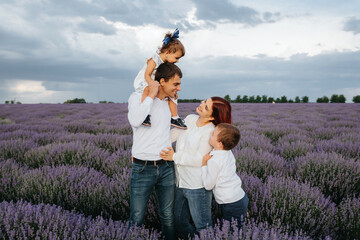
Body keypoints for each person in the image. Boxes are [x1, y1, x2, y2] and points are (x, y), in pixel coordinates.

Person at [160, 97, 232, 239]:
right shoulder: (190, 119)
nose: (201, 105)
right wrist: (148, 147)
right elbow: (172, 135)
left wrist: (174, 157)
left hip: (197, 186)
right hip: (180, 182)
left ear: (212, 116)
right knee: (179, 222)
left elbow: (200, 159)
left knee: (203, 227)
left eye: (205, 107)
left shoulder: (210, 132)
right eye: (204, 102)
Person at [128, 62, 183, 240]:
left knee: (167, 216)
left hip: (166, 167)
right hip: (142, 168)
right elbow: (136, 120)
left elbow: (171, 131)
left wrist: (166, 144)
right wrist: (151, 95)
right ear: (162, 81)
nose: (179, 88)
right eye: (175, 84)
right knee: (137, 217)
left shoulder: (170, 103)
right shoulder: (138, 98)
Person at [133, 28, 187, 129]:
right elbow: (147, 75)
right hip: (145, 81)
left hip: (156, 82)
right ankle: (144, 113)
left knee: (173, 95)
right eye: (176, 58)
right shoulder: (154, 60)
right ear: (167, 53)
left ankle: (174, 117)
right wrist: (152, 85)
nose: (178, 61)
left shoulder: (166, 63)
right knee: (147, 90)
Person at [201, 123, 248, 227]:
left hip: (232, 203)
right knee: (235, 227)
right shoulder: (227, 151)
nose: (210, 133)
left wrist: (204, 165)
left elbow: (208, 185)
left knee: (232, 231)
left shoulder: (215, 161)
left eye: (213, 134)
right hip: (239, 198)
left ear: (220, 144)